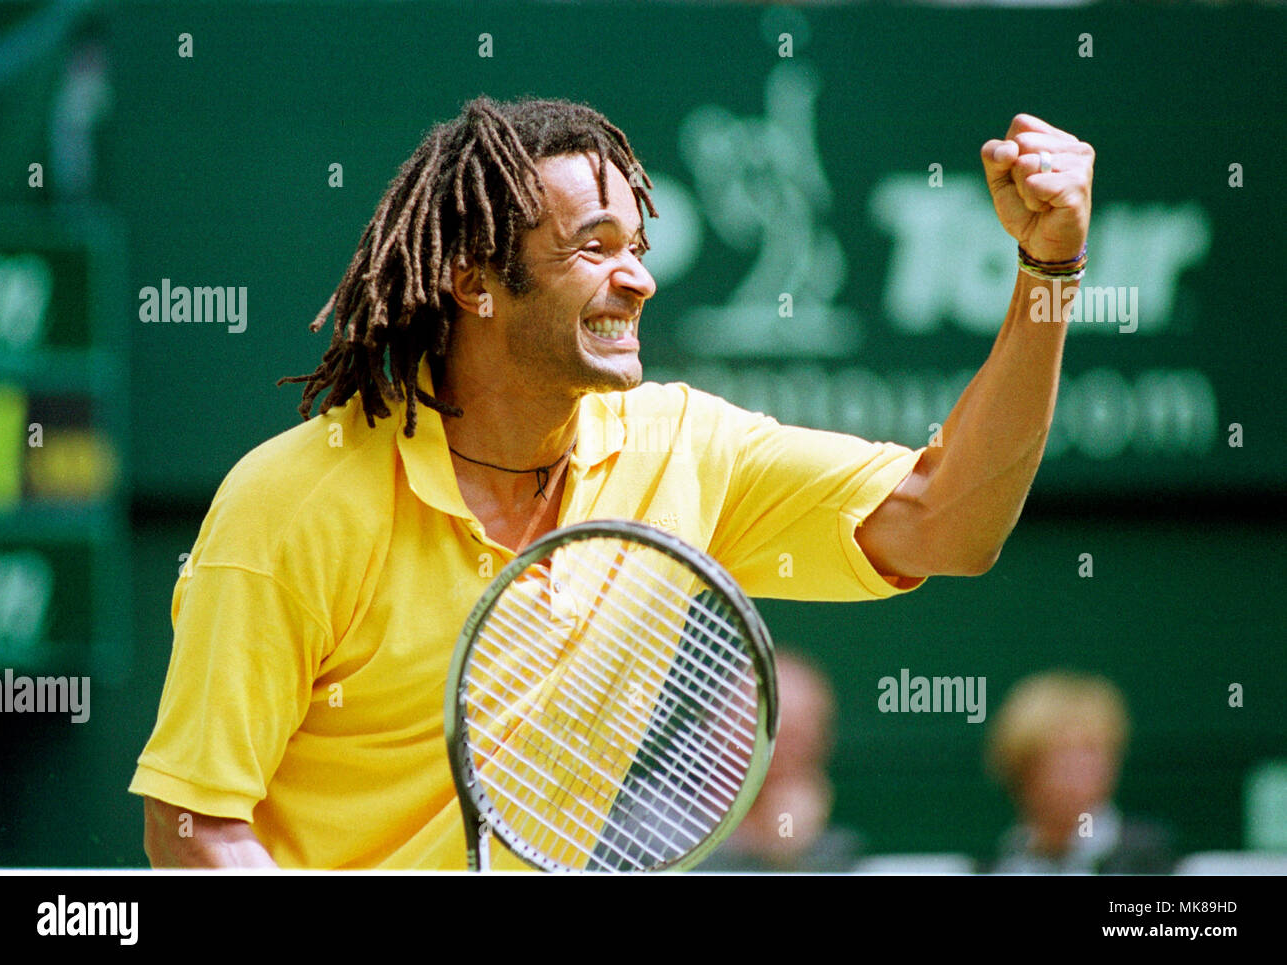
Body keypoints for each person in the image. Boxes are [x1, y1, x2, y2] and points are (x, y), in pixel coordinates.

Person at [130, 94, 1095, 868]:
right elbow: (195, 829)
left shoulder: (683, 445)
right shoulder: (291, 504)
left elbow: (950, 523)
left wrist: (1049, 270)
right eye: (595, 246)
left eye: (640, 246)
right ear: (476, 280)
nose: (637, 277)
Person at [985, 670, 1176, 874]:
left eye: (1091, 752)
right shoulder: (1004, 861)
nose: (1078, 772)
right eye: (1060, 756)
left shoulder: (1149, 857)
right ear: (1022, 769)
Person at [696, 650, 864, 872]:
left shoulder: (834, 850)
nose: (776, 753)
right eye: (756, 728)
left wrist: (787, 841)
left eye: (794, 737)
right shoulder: (652, 822)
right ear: (717, 726)